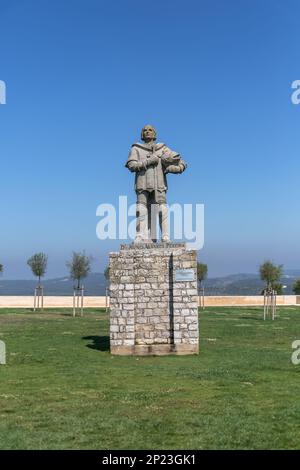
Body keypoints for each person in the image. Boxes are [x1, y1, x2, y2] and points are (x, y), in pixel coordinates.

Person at [125, 124, 187, 242]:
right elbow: (131, 165)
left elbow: (181, 162)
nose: (147, 132)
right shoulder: (136, 149)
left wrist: (172, 169)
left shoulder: (162, 148)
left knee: (161, 208)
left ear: (155, 134)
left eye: (150, 130)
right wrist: (149, 161)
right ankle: (140, 235)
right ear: (142, 134)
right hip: (142, 183)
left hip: (159, 183)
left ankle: (165, 236)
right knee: (141, 208)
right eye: (145, 130)